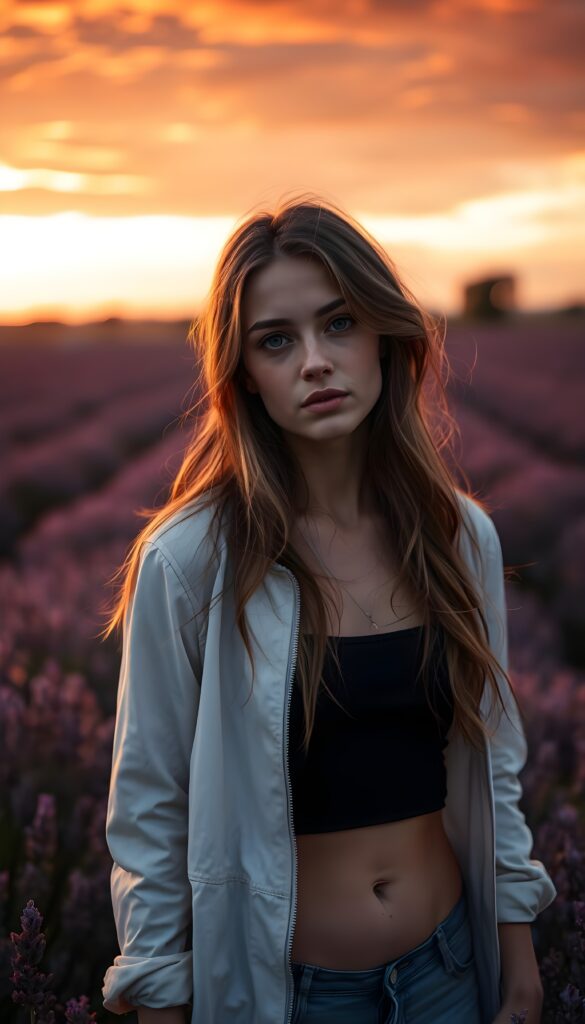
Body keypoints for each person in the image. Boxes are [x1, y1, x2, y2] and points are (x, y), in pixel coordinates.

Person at [100, 193, 556, 1024]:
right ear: (244, 377)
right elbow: (150, 807)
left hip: (448, 970)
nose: (315, 360)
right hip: (293, 995)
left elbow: (492, 754)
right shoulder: (191, 560)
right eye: (277, 340)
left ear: (385, 337)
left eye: (338, 323)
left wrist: (517, 958)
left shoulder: (456, 536)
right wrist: (160, 1001)